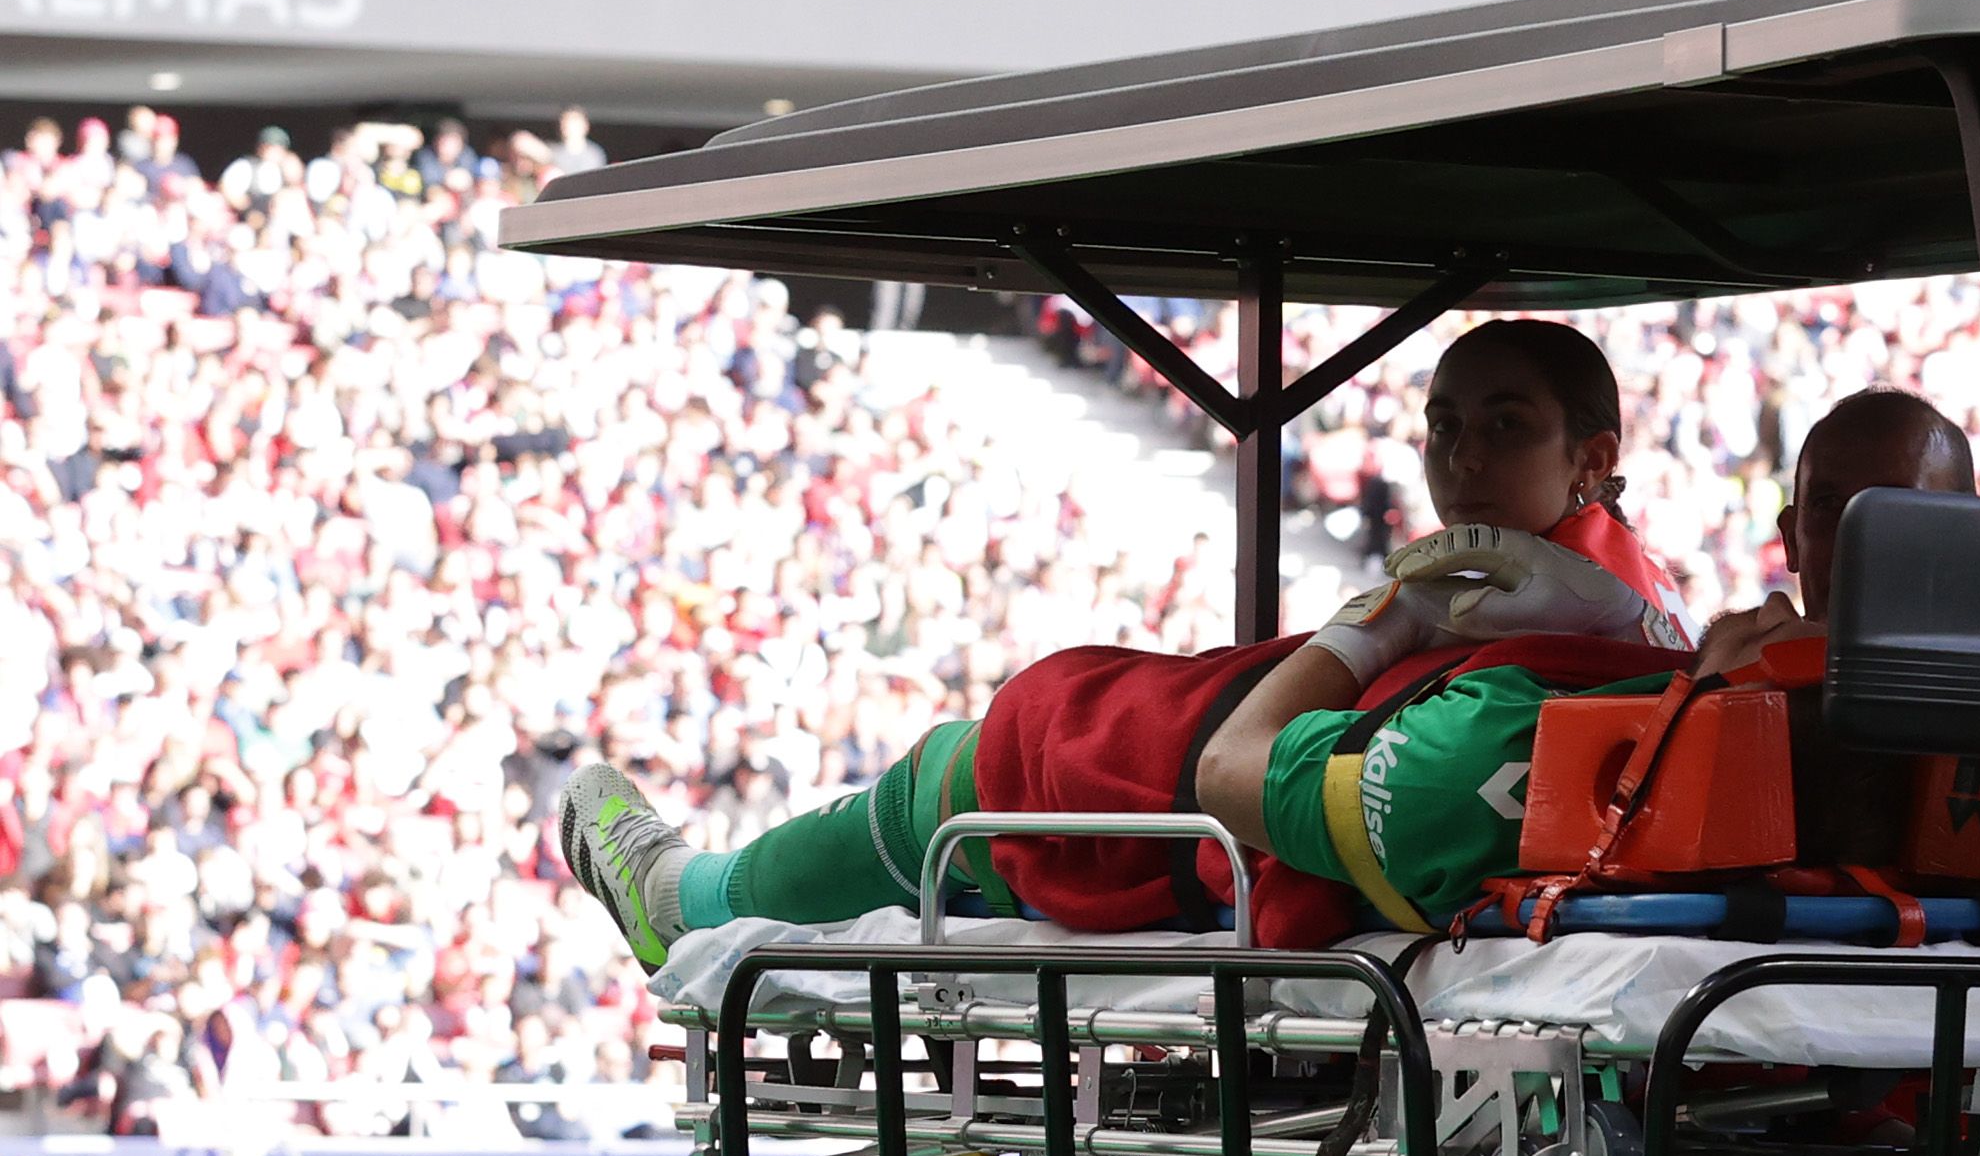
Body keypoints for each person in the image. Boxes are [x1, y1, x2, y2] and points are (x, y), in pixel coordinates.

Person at [563, 320, 1688, 961]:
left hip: (1176, 790)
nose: (1461, 459)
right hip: (1249, 749)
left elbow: (1231, 776)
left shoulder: (1519, 675)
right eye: (1443, 425)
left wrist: (1374, 621)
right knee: (990, 750)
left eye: (1504, 427)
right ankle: (696, 893)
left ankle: (686, 903)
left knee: (971, 767)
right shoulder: (1628, 612)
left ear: (1593, 458)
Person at [1684, 386, 1980, 676]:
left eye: (1893, 508)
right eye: (1827, 506)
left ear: (1965, 545)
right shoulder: (1743, 664)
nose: (1855, 539)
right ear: (1791, 541)